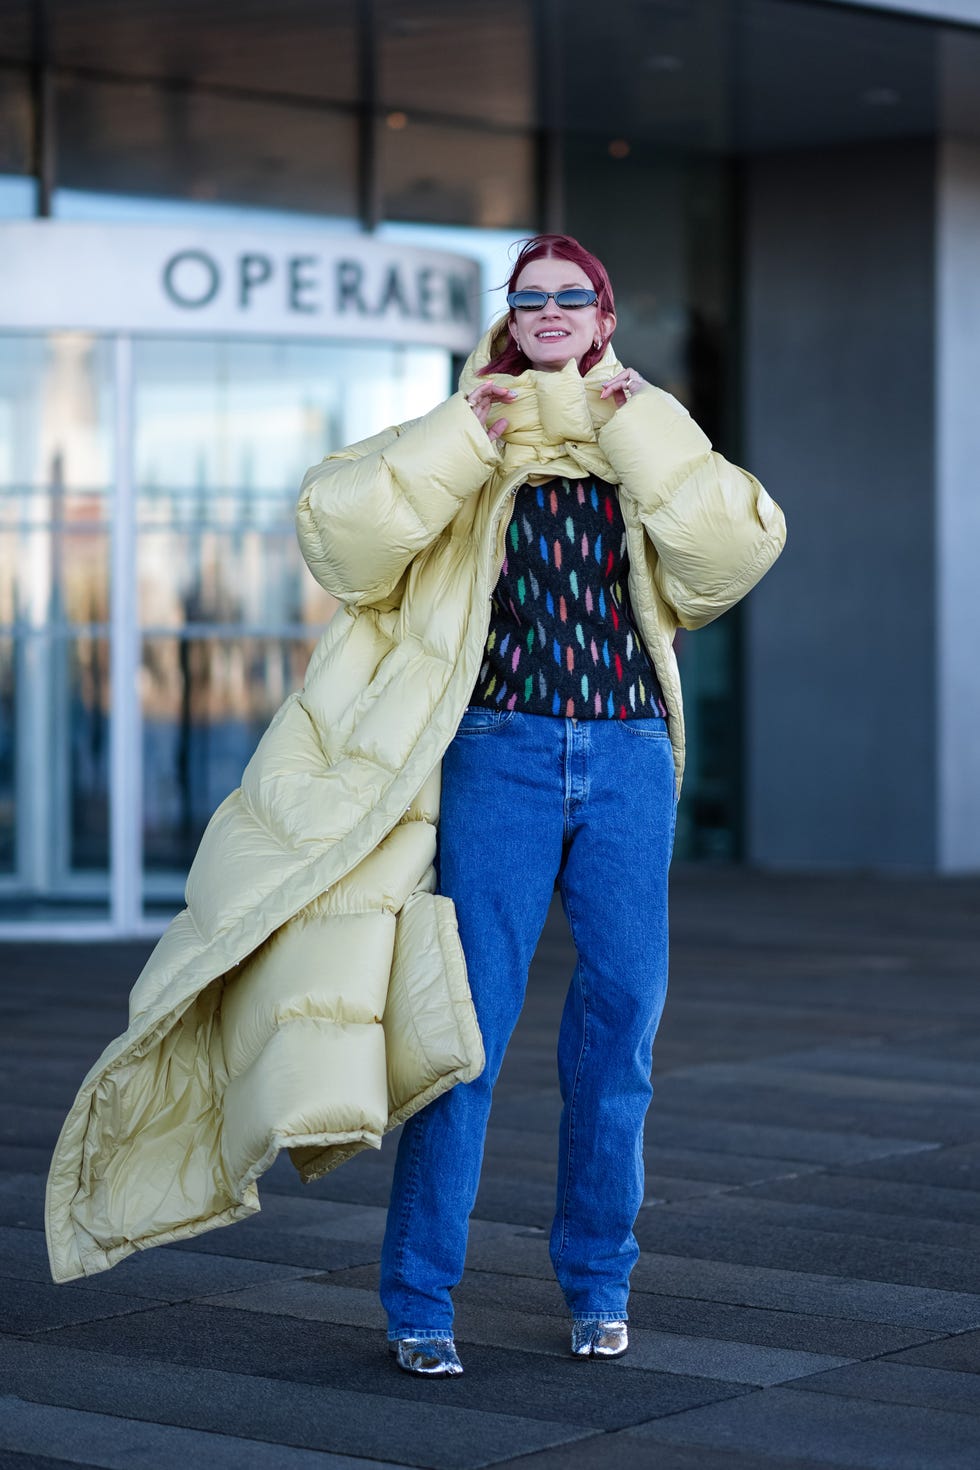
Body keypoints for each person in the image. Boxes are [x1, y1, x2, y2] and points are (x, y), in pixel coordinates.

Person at [295, 233, 786, 1376]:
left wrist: (638, 421)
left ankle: (597, 1285)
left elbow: (728, 554)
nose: (552, 311)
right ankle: (419, 1301)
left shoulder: (642, 438)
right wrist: (462, 433)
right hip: (498, 756)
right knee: (461, 1038)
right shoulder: (466, 431)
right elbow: (345, 538)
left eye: (573, 296)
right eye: (532, 298)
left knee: (619, 1038)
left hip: (623, 760)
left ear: (603, 315)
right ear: (510, 317)